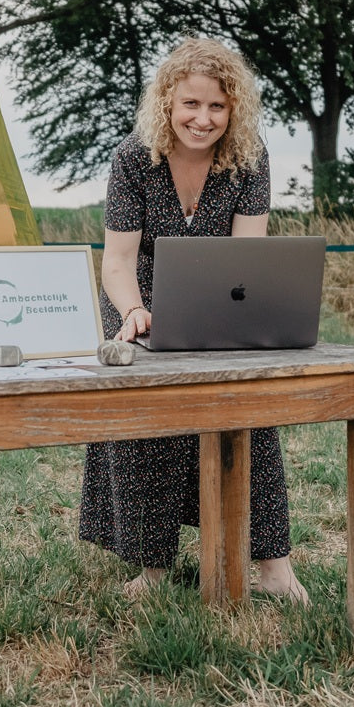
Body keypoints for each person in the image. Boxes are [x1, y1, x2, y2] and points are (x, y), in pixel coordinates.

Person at [78, 37, 309, 604]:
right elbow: (117, 262)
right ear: (166, 103)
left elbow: (246, 262)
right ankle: (152, 569)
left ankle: (273, 568)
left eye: (216, 107)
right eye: (190, 105)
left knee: (250, 412)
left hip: (219, 295)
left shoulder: (249, 158)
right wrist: (134, 311)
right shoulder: (133, 158)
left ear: (233, 111)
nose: (202, 119)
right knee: (151, 422)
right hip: (138, 297)